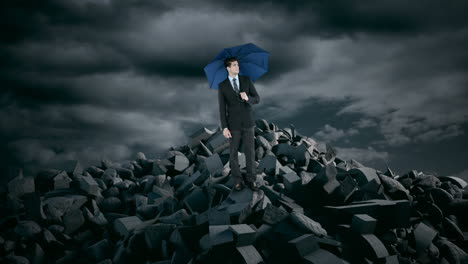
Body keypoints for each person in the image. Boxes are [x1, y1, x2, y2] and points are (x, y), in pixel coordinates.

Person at [218, 56, 260, 191]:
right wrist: (224, 127)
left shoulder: (246, 80)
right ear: (228, 68)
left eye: (238, 65)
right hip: (233, 125)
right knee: (233, 153)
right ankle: (237, 180)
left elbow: (257, 99)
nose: (237, 67)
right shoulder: (222, 85)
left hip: (248, 123)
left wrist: (248, 98)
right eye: (234, 65)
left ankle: (251, 179)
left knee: (250, 152)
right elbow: (222, 108)